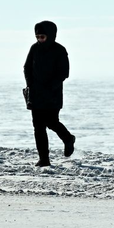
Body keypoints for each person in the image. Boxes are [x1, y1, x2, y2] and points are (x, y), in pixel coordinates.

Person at [23, 20, 75, 167]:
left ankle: (68, 139)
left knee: (51, 122)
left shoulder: (59, 50)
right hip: (36, 94)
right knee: (38, 126)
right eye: (37, 37)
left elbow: (63, 73)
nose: (40, 40)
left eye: (42, 37)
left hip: (53, 94)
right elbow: (27, 67)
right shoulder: (34, 49)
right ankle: (44, 159)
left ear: (50, 36)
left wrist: (51, 86)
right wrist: (30, 84)